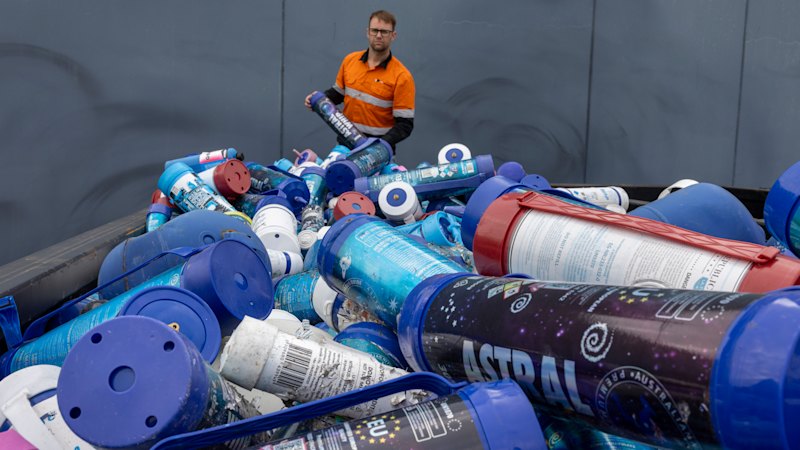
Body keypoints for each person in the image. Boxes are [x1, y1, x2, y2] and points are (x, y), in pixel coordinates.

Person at [305, 10, 415, 153]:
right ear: (367, 32)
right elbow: (338, 94)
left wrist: (380, 146)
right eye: (375, 30)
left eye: (384, 32)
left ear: (393, 35)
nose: (379, 35)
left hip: (377, 154)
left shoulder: (402, 76)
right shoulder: (350, 61)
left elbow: (404, 125)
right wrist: (317, 100)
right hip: (345, 147)